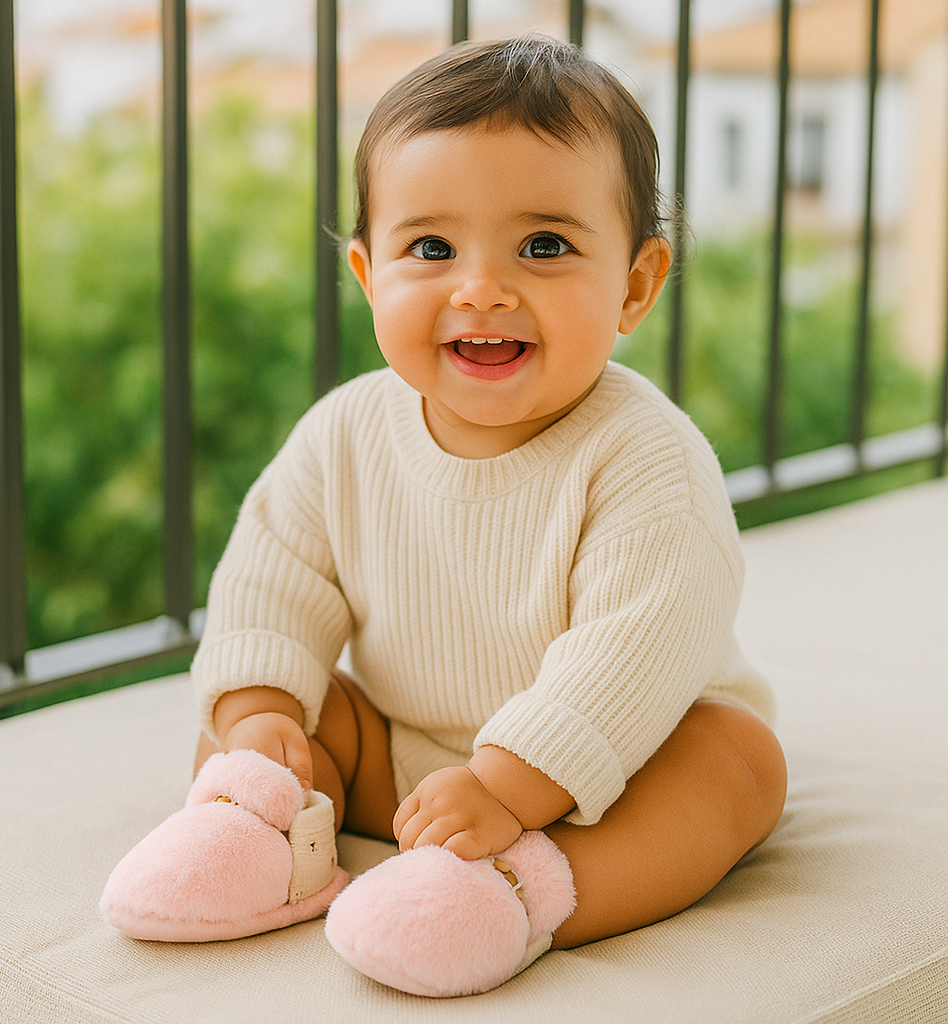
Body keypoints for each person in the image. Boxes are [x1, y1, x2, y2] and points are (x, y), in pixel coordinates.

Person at [101, 34, 787, 998]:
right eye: (431, 248)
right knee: (282, 708)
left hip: (615, 768)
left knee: (737, 763)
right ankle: (262, 829)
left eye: (543, 246)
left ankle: (523, 892)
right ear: (368, 275)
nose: (482, 289)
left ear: (634, 285)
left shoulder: (647, 459)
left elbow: (632, 653)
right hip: (405, 763)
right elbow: (272, 579)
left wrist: (508, 789)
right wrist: (258, 716)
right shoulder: (345, 433)